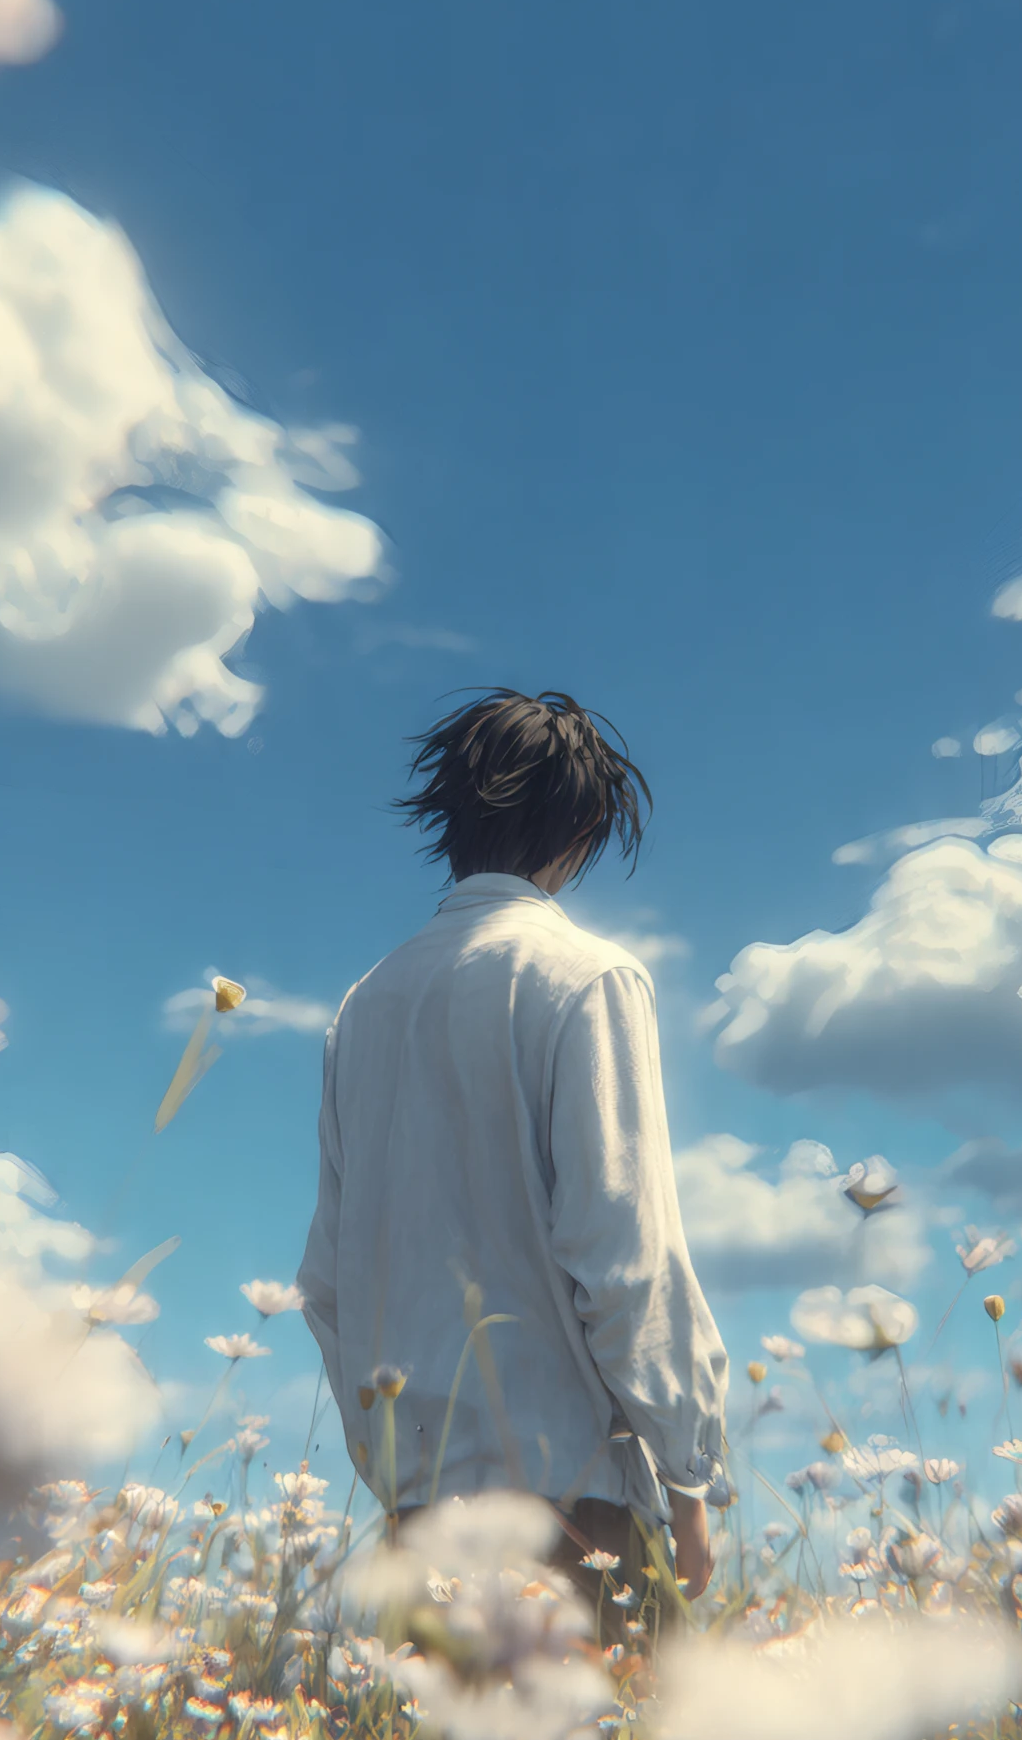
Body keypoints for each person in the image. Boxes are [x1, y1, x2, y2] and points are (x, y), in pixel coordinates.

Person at [296, 687, 730, 1632]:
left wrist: (401, 1479)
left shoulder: (364, 1006)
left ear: (450, 817)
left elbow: (327, 1283)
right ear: (580, 829)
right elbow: (623, 1255)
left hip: (420, 1534)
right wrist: (692, 1477)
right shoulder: (591, 979)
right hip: (574, 1516)